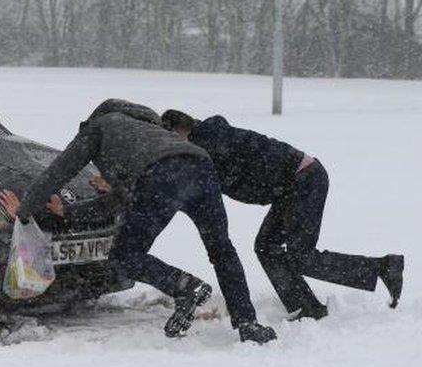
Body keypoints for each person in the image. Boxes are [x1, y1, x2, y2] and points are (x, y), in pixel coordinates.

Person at [0, 99, 277, 344]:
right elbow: (122, 199)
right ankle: (247, 323)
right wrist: (68, 213)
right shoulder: (152, 131)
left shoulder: (99, 127)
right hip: (202, 168)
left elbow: (57, 172)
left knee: (124, 256)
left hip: (159, 177)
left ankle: (183, 286)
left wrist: (24, 209)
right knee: (221, 249)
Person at [160, 110, 405, 319]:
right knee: (266, 246)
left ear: (180, 130)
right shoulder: (208, 143)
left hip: (304, 179)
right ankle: (306, 307)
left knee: (302, 256)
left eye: (172, 140)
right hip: (291, 186)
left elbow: (210, 183)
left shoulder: (209, 143)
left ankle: (383, 267)